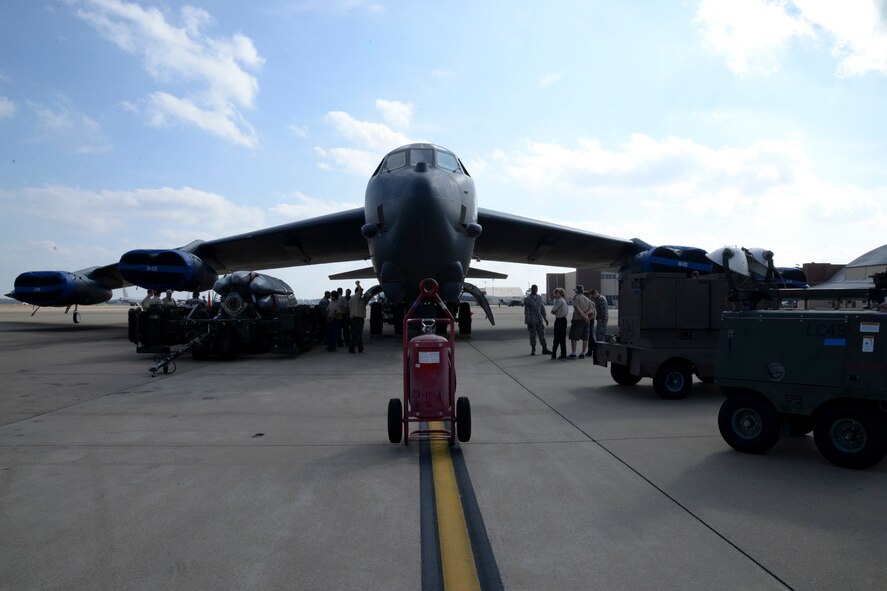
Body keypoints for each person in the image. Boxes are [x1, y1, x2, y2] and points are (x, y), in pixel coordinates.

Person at [523, 284, 550, 355]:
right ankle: (533, 349)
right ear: (531, 289)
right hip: (532, 320)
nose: (535, 290)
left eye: (536, 289)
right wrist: (528, 322)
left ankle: (544, 349)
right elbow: (527, 312)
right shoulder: (528, 299)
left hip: (539, 320)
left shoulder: (539, 298)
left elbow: (542, 309)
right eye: (534, 289)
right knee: (532, 335)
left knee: (542, 334)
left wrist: (545, 318)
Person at [568, 285, 594, 359]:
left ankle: (573, 353)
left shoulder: (576, 297)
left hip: (577, 320)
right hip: (586, 321)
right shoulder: (587, 299)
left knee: (574, 337)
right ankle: (583, 353)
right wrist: (586, 316)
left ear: (576, 291)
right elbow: (591, 309)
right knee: (585, 337)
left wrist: (583, 316)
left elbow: (577, 308)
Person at [588, 288, 609, 358]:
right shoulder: (598, 299)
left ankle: (601, 351)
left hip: (602, 319)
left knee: (601, 334)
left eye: (592, 296)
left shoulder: (601, 299)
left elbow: (604, 310)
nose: (592, 298)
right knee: (599, 334)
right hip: (601, 319)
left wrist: (600, 318)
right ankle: (600, 350)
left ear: (594, 294)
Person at [549, 287, 569, 359]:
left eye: (556, 293)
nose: (555, 294)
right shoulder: (564, 301)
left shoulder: (559, 301)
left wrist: (555, 312)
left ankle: (554, 354)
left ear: (560, 293)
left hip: (559, 320)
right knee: (562, 338)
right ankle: (563, 353)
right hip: (564, 320)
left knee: (557, 338)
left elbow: (553, 311)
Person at [349, 281, 367, 353]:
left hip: (356, 319)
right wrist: (357, 283)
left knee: (358, 334)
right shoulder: (356, 297)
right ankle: (351, 348)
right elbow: (360, 290)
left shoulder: (356, 299)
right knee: (357, 335)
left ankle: (360, 348)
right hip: (357, 319)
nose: (362, 293)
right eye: (360, 293)